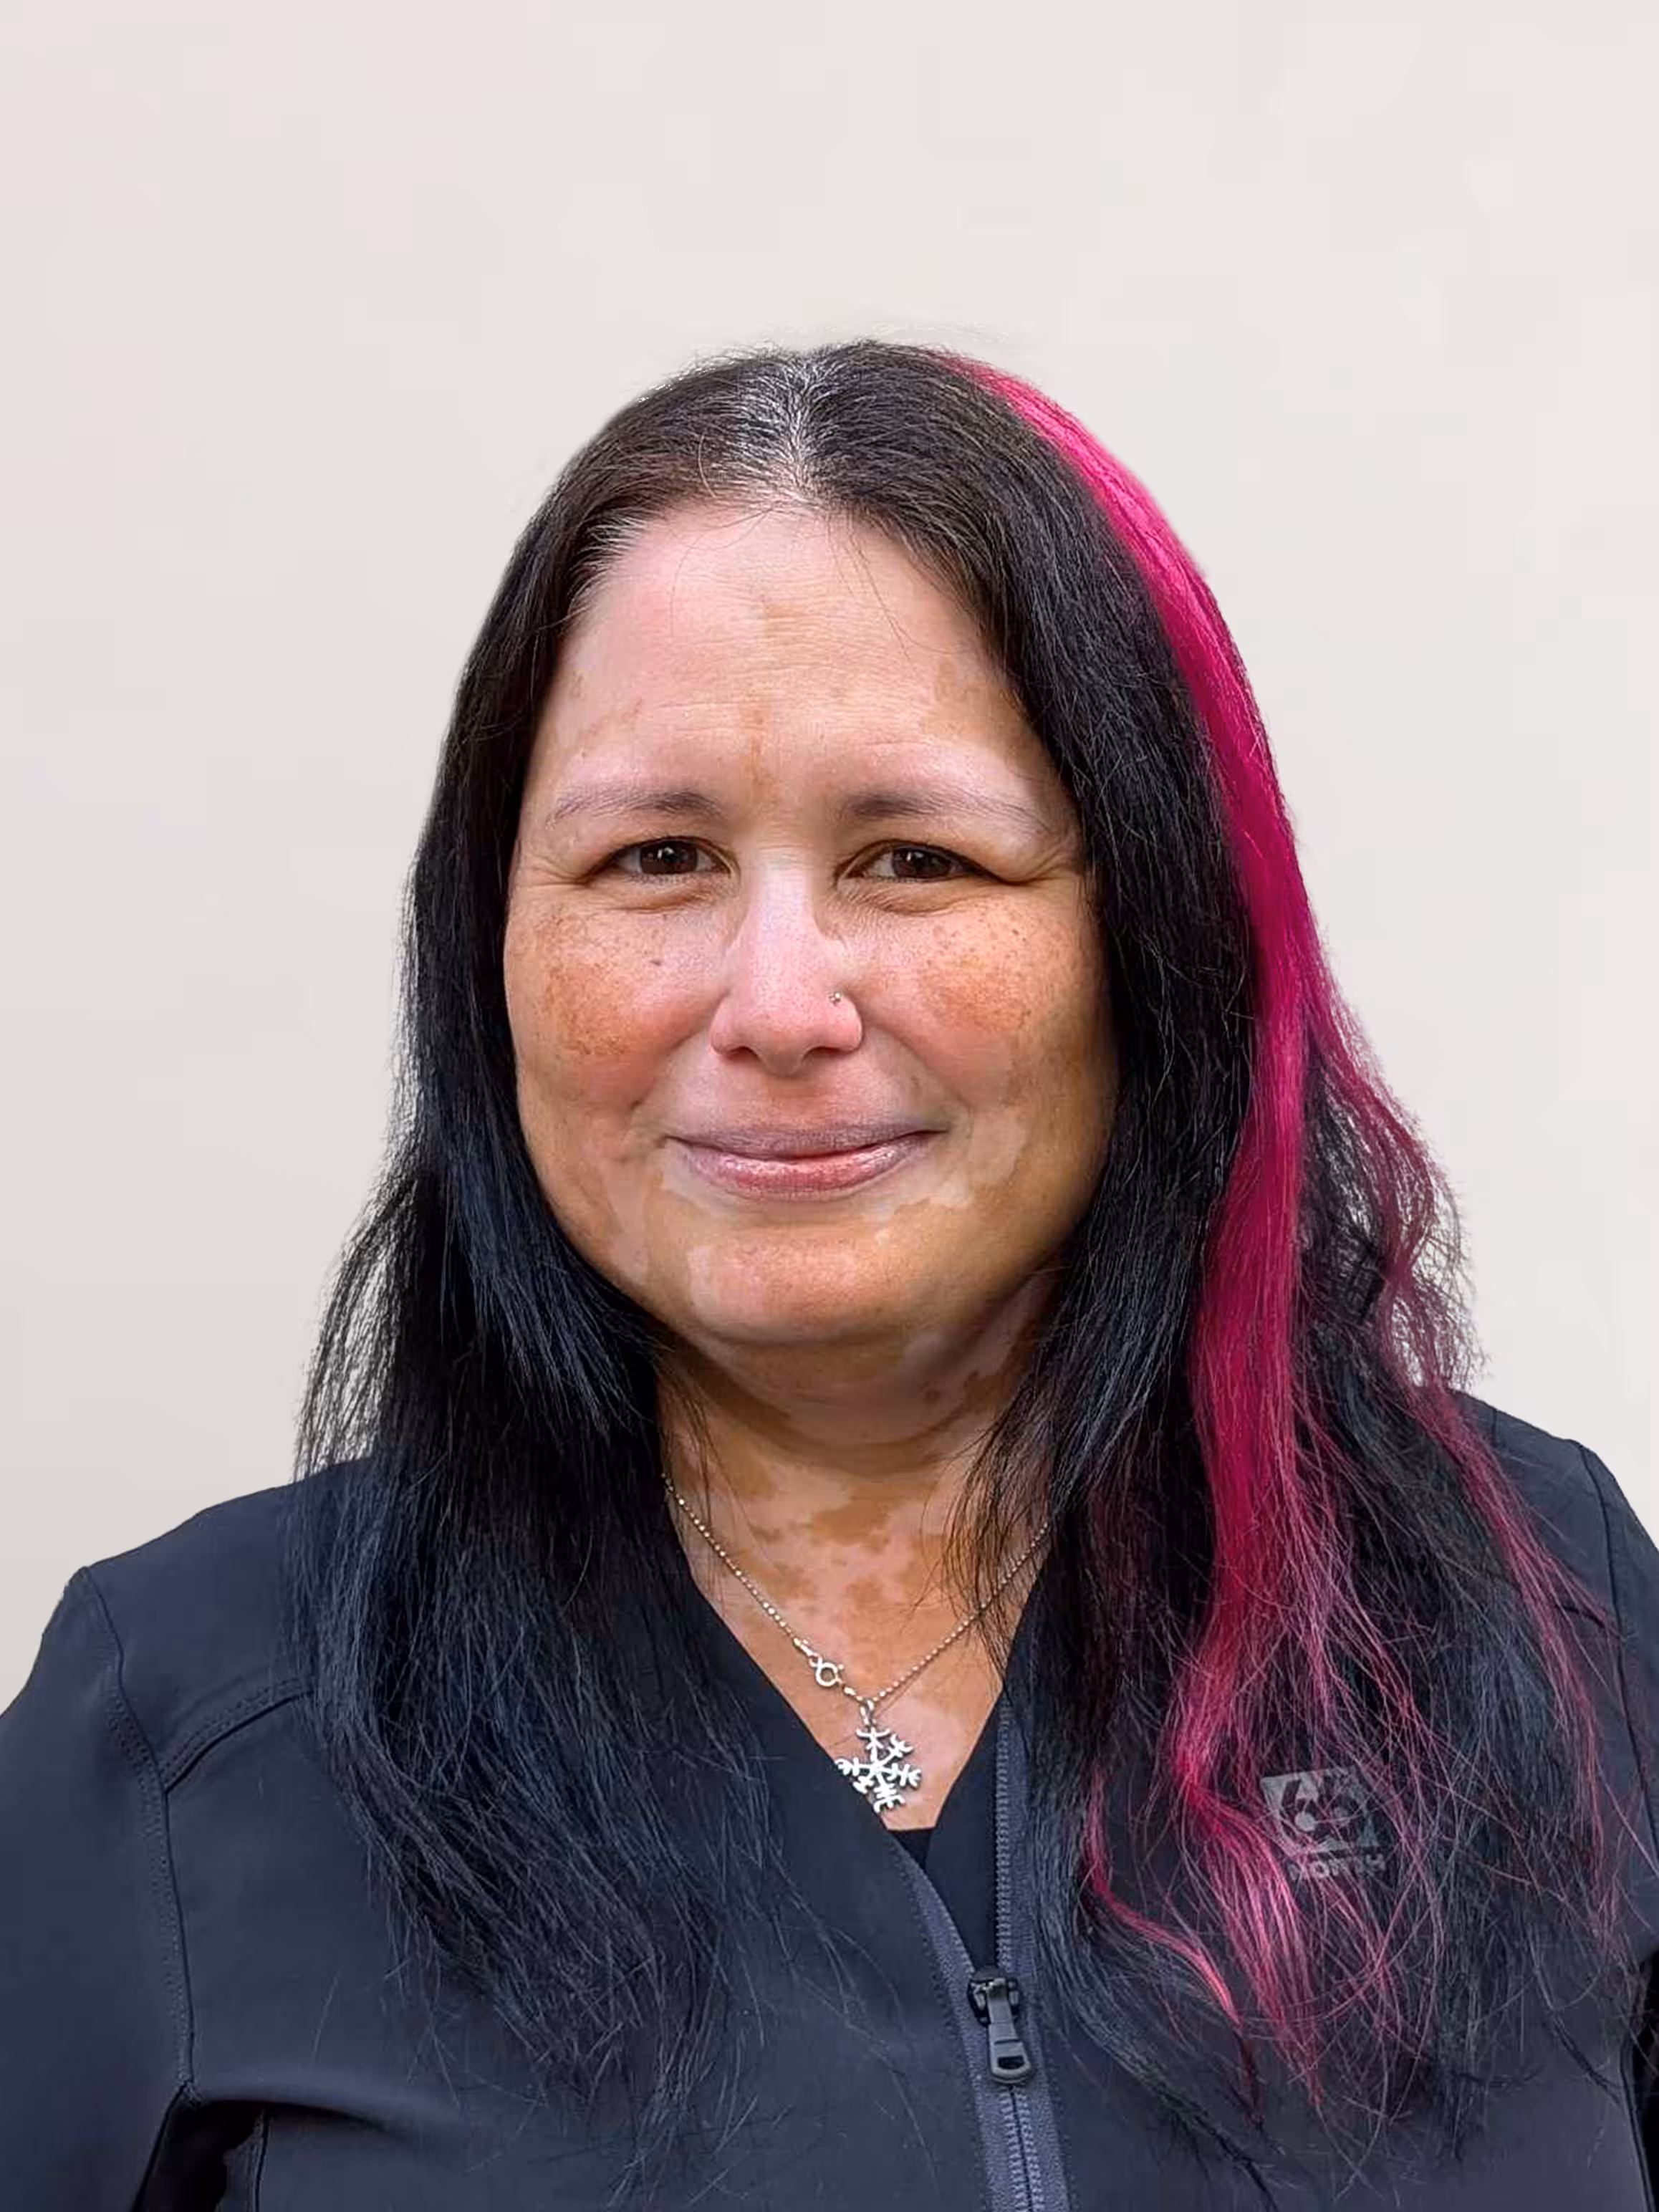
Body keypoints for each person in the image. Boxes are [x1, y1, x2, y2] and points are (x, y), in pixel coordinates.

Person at [1, 340, 1655, 2209]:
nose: (779, 1005)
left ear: (1154, 937)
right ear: (491, 951)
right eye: (655, 856)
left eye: (915, 858)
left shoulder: (1542, 1612)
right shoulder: (189, 1726)